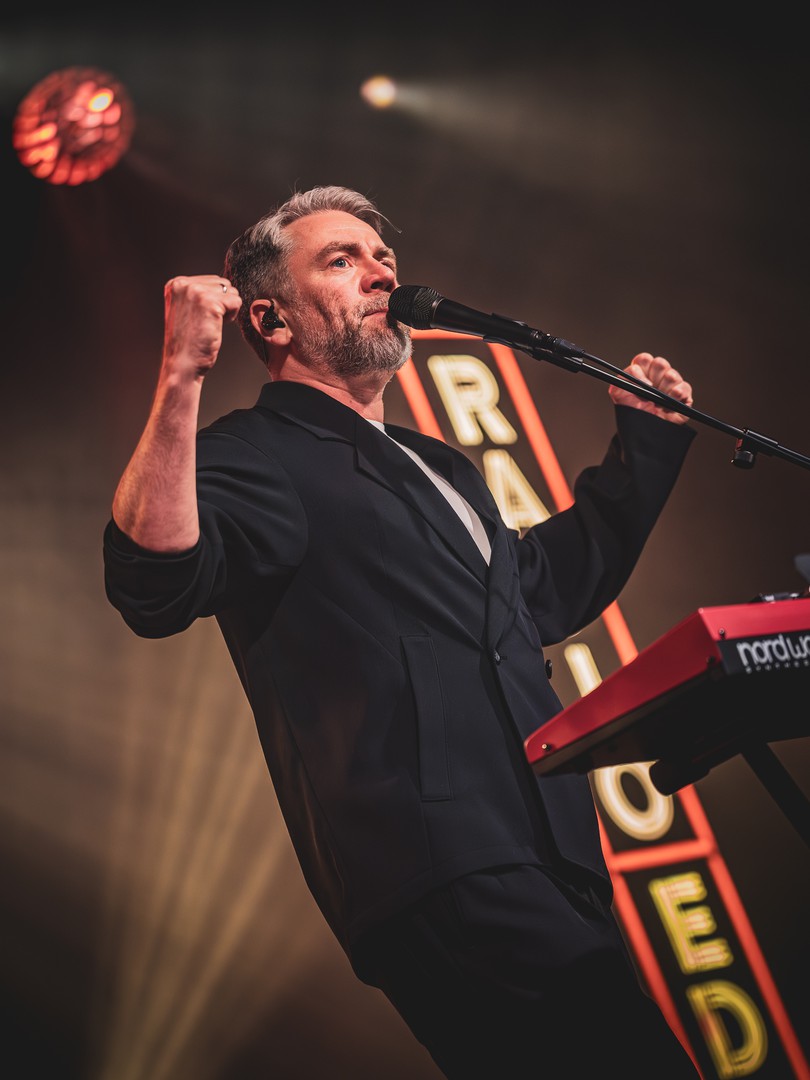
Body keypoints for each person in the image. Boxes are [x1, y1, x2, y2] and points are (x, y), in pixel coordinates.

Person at [103, 185, 702, 1078]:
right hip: (438, 859)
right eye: (341, 259)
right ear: (270, 318)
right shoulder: (255, 452)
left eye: (382, 257)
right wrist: (182, 375)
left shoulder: (442, 467)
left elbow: (535, 597)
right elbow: (152, 583)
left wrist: (644, 450)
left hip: (552, 849)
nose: (382, 272)